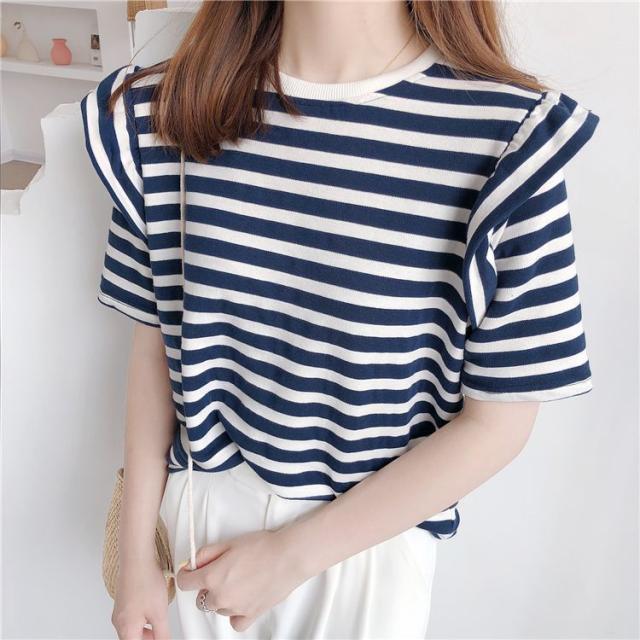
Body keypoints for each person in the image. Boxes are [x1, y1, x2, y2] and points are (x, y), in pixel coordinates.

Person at [80, 1, 600, 638]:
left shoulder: (510, 142)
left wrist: (292, 556)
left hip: (367, 551)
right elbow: (156, 344)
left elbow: (499, 422)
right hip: (191, 537)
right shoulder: (165, 112)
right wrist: (135, 554)